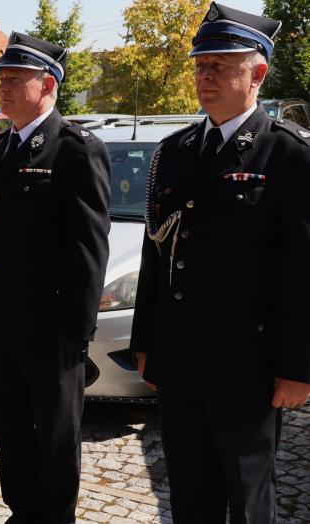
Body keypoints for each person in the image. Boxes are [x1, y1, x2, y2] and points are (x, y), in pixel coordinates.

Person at [130, 3, 310, 521]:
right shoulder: (175, 151)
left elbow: (302, 273)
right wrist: (146, 340)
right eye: (200, 66)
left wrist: (297, 368)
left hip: (247, 366)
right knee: (189, 493)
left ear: (257, 74)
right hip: (181, 359)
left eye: (220, 66)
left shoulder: (290, 156)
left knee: (250, 494)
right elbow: (156, 254)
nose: (205, 77)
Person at [0, 32, 111, 523]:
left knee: (55, 434)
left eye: (15, 79)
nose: (3, 88)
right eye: (1, 78)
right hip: (1, 323)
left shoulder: (74, 150)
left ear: (47, 84)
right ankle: (22, 510)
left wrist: (76, 330)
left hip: (50, 330)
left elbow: (88, 249)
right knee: (10, 428)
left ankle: (54, 516)